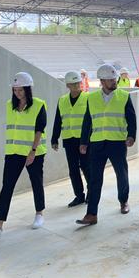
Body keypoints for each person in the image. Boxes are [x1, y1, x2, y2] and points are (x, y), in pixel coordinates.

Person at [0, 72, 47, 239]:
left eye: (20, 90)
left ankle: (39, 214)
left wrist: (32, 151)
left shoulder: (39, 105)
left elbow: (39, 129)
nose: (17, 93)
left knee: (36, 182)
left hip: (33, 153)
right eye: (15, 90)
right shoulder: (9, 104)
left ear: (28, 89)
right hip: (13, 152)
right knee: (7, 186)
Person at [76, 64, 136, 226]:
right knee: (95, 179)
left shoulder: (123, 96)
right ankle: (91, 214)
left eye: (114, 78)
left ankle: (124, 201)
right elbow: (87, 121)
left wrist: (131, 135)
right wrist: (83, 141)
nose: (113, 81)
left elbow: (131, 118)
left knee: (121, 174)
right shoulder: (92, 98)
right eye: (110, 79)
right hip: (97, 143)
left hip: (117, 142)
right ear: (102, 81)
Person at [51, 71, 90, 207]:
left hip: (84, 139)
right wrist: (54, 138)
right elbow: (58, 120)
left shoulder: (88, 98)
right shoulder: (62, 100)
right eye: (73, 84)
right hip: (69, 139)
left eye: (78, 83)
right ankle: (79, 196)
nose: (76, 86)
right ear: (68, 85)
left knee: (86, 167)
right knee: (73, 169)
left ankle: (91, 193)